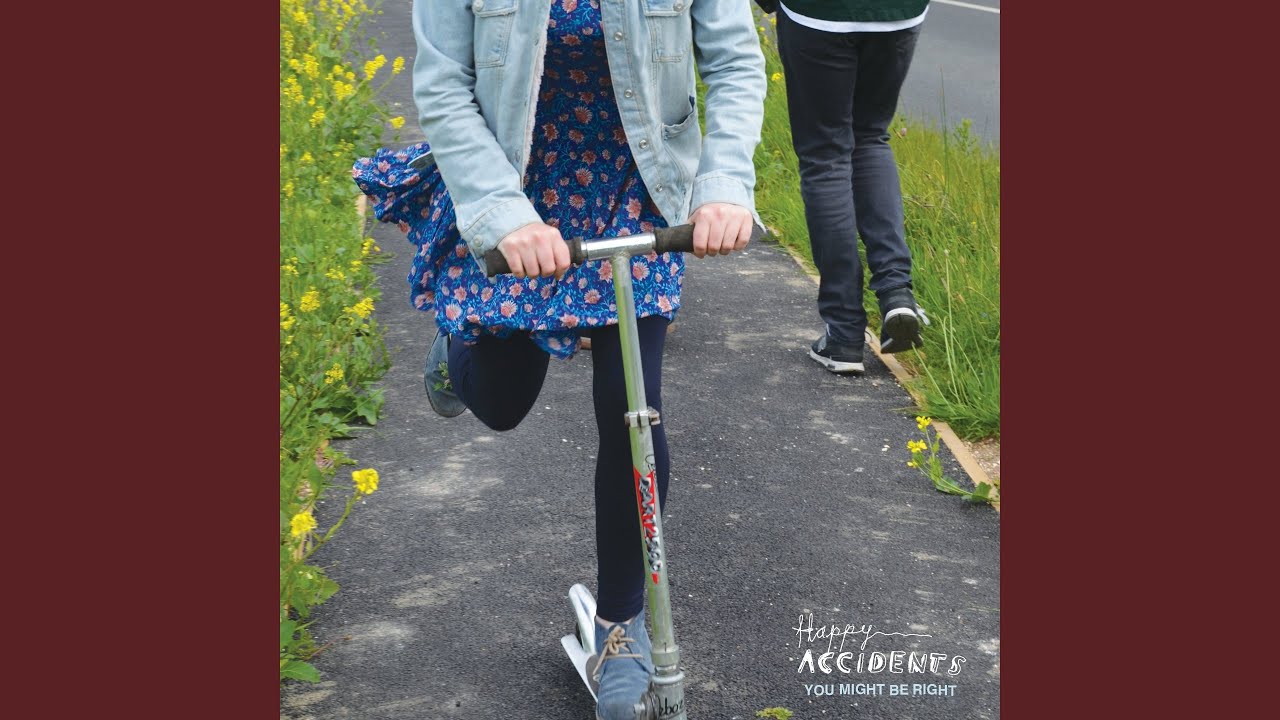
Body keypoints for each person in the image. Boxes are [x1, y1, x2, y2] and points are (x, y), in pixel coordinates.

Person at [353, 2, 765, 718]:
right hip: (514, 184)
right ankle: (458, 347)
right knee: (503, 402)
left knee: (632, 407)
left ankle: (621, 628)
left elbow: (733, 61)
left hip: (637, 185)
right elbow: (445, 83)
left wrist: (724, 184)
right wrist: (502, 213)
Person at [772, 0, 930, 374]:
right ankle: (896, 292)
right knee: (871, 136)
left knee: (825, 156)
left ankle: (843, 333)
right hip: (897, 12)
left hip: (817, 13)